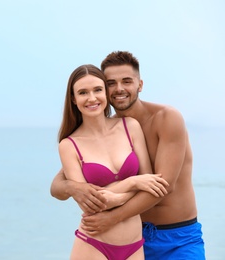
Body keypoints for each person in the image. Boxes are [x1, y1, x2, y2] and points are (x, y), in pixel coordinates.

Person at [51, 51, 205, 259]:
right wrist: (73, 187)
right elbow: (58, 185)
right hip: (134, 237)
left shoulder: (167, 118)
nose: (119, 89)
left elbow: (164, 185)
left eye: (126, 81)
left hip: (177, 237)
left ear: (139, 85)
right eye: (111, 83)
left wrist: (113, 217)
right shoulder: (108, 132)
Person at [56, 64, 169, 260]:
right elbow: (90, 204)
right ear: (74, 99)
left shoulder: (130, 127)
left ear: (106, 94)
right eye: (83, 92)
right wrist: (132, 182)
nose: (92, 98)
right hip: (93, 245)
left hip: (134, 245)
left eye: (97, 90)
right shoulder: (69, 145)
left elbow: (150, 183)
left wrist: (116, 198)